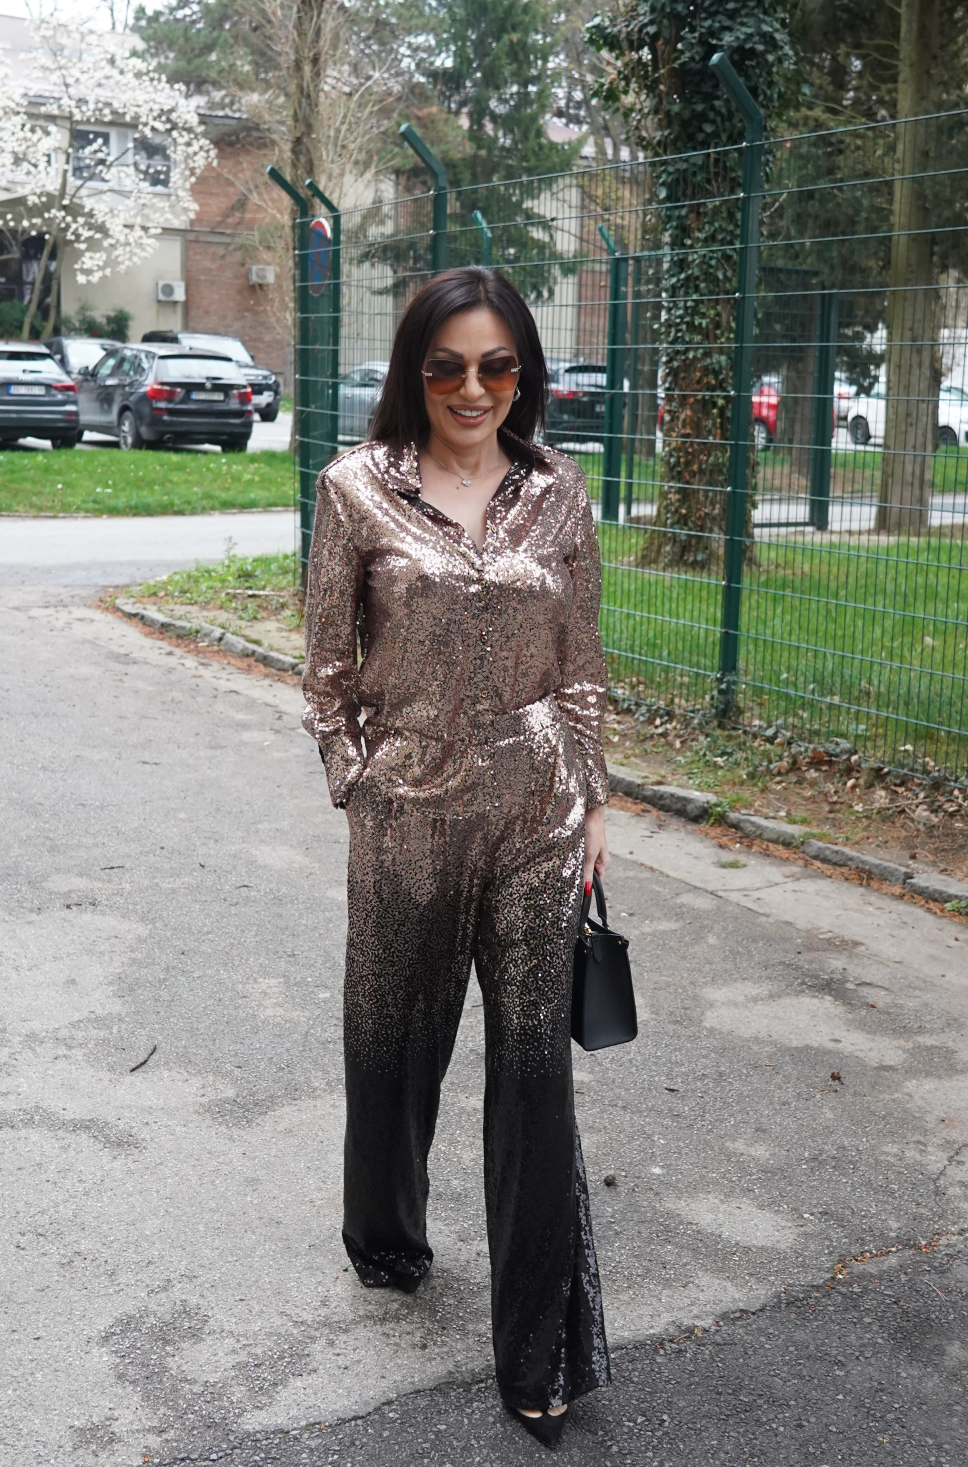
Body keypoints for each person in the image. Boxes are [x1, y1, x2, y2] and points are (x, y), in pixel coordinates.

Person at [302, 266, 611, 1449]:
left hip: (538, 811)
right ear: (413, 373)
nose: (471, 389)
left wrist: (591, 802)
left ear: (522, 373)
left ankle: (539, 1354)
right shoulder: (355, 491)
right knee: (393, 1043)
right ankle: (385, 1235)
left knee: (533, 1073)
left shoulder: (559, 494)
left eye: (495, 365)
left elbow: (580, 666)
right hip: (408, 810)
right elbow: (327, 671)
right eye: (446, 366)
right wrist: (359, 781)